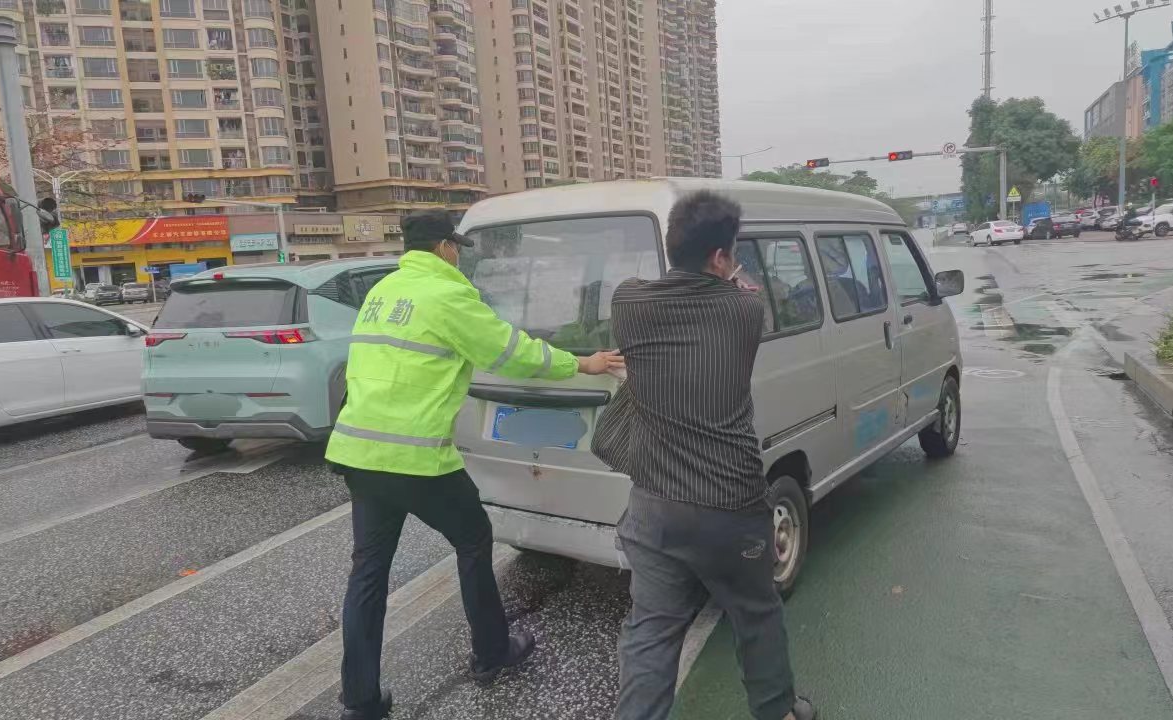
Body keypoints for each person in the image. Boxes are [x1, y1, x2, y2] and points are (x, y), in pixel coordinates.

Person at [326, 209, 624, 720]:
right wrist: (583, 363)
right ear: (445, 247)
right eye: (457, 247)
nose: (459, 255)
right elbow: (512, 353)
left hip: (357, 452)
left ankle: (360, 700)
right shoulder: (448, 295)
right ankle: (492, 652)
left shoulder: (383, 293)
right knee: (473, 539)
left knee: (368, 575)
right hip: (416, 457)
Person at [603, 190, 815, 720]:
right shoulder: (745, 307)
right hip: (730, 506)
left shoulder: (628, 302)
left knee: (650, 633)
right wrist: (732, 275)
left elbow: (648, 290)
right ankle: (778, 713)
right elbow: (743, 292)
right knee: (756, 615)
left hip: (654, 507)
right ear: (721, 258)